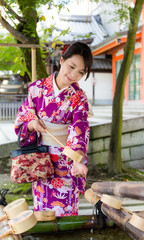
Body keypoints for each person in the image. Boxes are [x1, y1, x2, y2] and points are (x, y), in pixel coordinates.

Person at [14, 42, 93, 217]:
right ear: (62, 60)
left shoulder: (79, 98)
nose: (73, 75)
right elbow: (23, 118)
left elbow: (80, 126)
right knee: (42, 211)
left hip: (66, 161)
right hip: (40, 160)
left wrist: (78, 159)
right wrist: (32, 124)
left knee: (65, 212)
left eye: (81, 72)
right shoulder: (37, 89)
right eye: (71, 67)